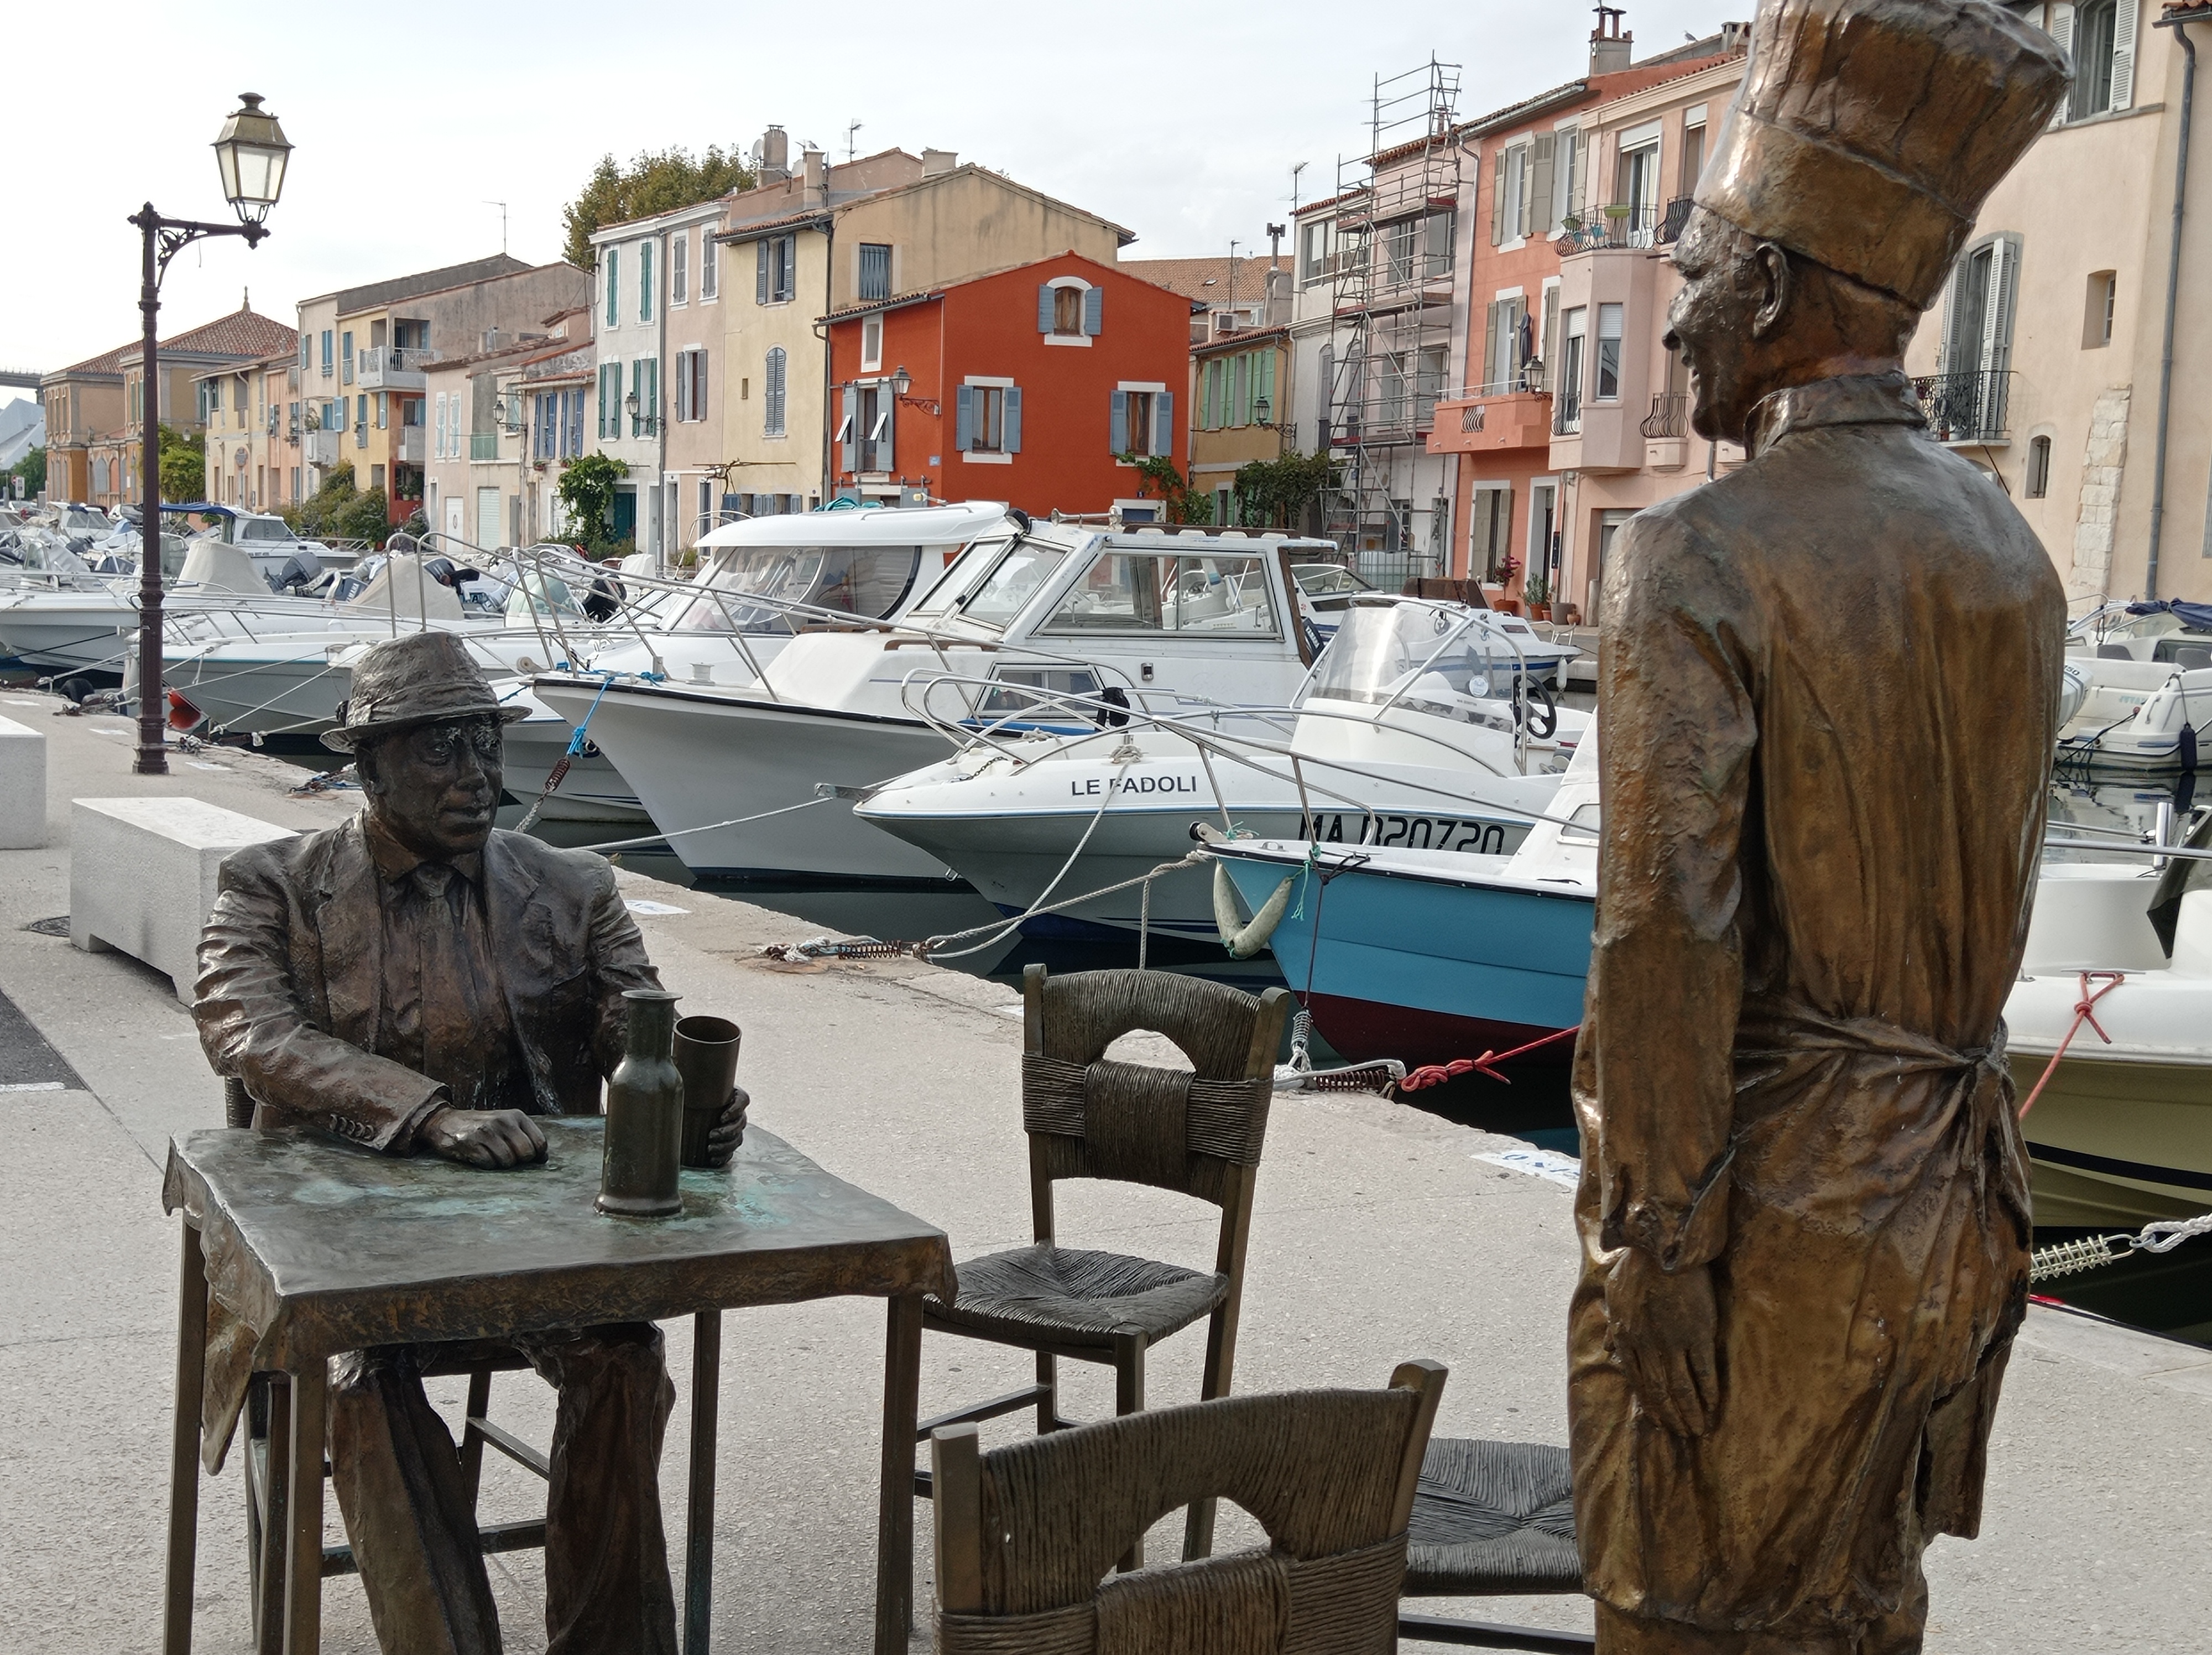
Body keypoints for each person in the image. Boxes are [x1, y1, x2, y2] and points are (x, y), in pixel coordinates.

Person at [1567, 4, 2071, 1652]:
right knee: (1865, 1614)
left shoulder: (1697, 557)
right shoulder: (2007, 551)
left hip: (1764, 1218)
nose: (1678, 327)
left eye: (1697, 272)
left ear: (1773, 290)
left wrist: (1652, 1251)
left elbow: (1665, 937)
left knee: (1677, 1611)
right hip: (1944, 1207)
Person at [195, 631, 748, 1655]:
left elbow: (635, 1022)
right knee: (367, 1375)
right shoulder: (270, 885)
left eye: (485, 747)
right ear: (370, 766)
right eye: (440, 750)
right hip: (341, 1241)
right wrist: (430, 1115)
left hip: (534, 1239)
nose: (477, 776)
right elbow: (246, 1032)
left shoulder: (573, 886)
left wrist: (688, 1098)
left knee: (627, 1359)